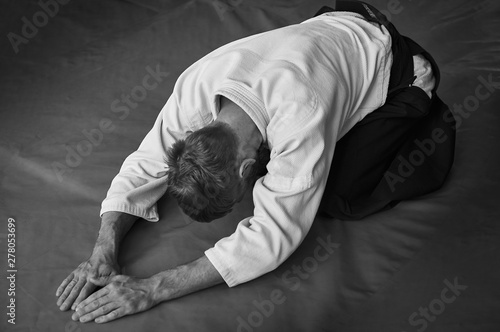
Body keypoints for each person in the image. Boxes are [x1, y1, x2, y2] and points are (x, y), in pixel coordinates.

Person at [55, 1, 454, 324]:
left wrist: (154, 287)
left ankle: (427, 114)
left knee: (337, 198)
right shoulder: (197, 87)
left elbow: (273, 236)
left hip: (397, 68)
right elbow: (146, 160)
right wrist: (103, 249)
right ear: (192, 135)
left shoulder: (301, 116)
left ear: (249, 170)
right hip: (327, 34)